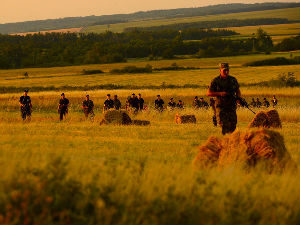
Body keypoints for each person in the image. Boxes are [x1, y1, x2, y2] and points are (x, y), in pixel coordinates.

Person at [207, 63, 241, 135]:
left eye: (228, 70)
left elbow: (238, 91)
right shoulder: (215, 81)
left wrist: (239, 99)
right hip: (221, 106)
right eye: (224, 70)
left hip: (231, 105)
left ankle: (232, 140)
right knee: (223, 124)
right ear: (220, 70)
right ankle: (225, 140)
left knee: (233, 124)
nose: (226, 72)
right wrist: (220, 93)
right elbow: (209, 93)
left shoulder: (233, 80)